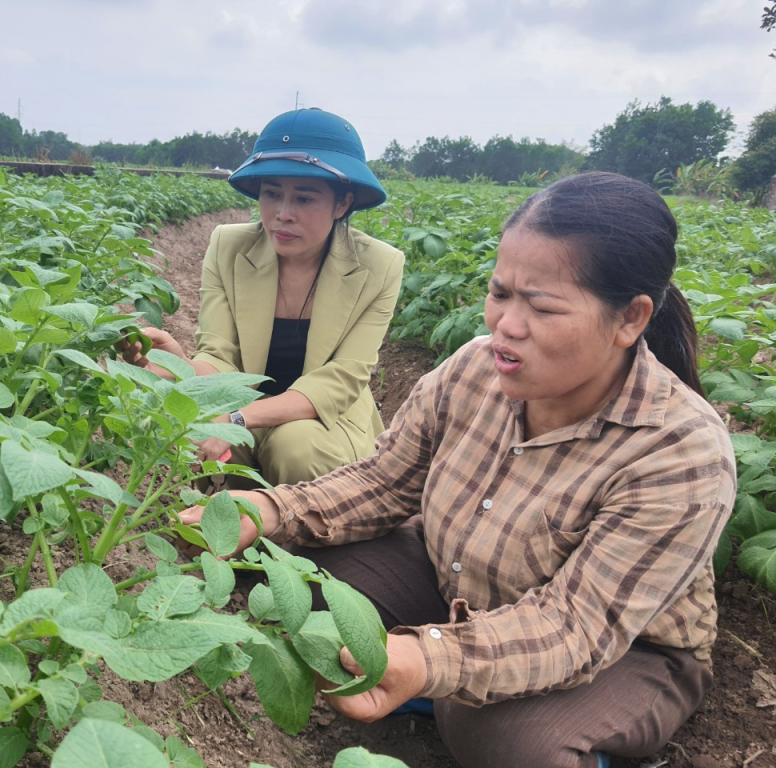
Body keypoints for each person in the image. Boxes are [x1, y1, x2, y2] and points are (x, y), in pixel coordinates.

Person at [180, 171, 736, 768]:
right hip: (454, 577)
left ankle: (546, 726)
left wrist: (429, 660)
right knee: (289, 580)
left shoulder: (680, 451)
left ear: (630, 319)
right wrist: (270, 509)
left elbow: (576, 627)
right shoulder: (475, 368)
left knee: (507, 740)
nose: (507, 326)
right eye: (501, 294)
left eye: (542, 306)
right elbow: (382, 482)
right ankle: (429, 672)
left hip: (621, 649)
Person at [123, 108, 404, 487]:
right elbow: (220, 356)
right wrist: (179, 366)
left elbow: (341, 380)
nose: (282, 214)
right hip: (242, 406)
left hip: (323, 423)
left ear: (342, 204)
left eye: (304, 199)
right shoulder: (228, 246)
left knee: (294, 445)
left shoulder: (378, 267)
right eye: (272, 194)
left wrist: (236, 418)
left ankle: (310, 541)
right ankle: (225, 537)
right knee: (204, 436)